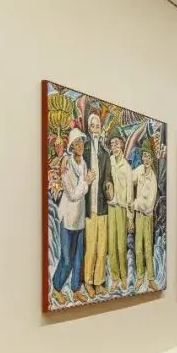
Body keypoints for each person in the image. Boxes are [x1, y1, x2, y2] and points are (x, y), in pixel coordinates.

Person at [51, 129, 92, 305]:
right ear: (72, 147)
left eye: (82, 142)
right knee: (67, 259)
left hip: (79, 218)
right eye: (77, 143)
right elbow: (73, 195)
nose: (80, 146)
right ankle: (56, 288)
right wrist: (86, 182)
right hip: (68, 219)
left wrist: (85, 183)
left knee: (77, 258)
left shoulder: (84, 164)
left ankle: (75, 289)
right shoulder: (66, 166)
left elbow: (83, 190)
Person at [82, 111, 112, 298]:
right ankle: (88, 281)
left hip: (102, 208)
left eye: (98, 126)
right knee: (91, 247)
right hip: (89, 208)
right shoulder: (84, 150)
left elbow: (108, 178)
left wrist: (109, 186)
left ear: (100, 129)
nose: (95, 129)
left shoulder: (105, 153)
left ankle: (99, 282)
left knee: (102, 248)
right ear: (88, 128)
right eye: (92, 126)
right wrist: (85, 179)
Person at [105, 130, 132, 295]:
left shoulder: (126, 167)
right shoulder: (109, 161)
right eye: (112, 144)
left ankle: (124, 276)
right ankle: (114, 278)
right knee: (112, 244)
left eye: (116, 143)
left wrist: (130, 216)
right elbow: (106, 179)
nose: (114, 146)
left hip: (121, 208)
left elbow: (130, 194)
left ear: (121, 144)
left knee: (121, 246)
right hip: (111, 207)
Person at [132, 141, 159, 292]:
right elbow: (130, 178)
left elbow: (149, 205)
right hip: (138, 216)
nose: (145, 159)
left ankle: (151, 279)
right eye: (144, 156)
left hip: (147, 216)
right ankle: (139, 277)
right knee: (138, 247)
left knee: (148, 247)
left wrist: (136, 203)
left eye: (148, 156)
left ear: (152, 159)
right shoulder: (139, 170)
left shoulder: (153, 177)